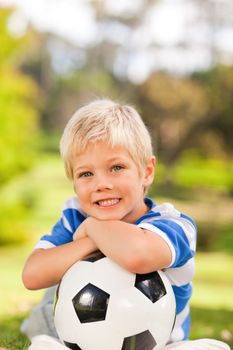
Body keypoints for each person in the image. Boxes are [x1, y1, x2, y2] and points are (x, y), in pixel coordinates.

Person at [22, 99, 230, 350]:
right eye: (86, 174)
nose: (102, 184)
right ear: (73, 182)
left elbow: (138, 256)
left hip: (159, 344)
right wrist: (90, 240)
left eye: (116, 167)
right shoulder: (75, 217)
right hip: (81, 341)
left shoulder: (174, 226)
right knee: (43, 344)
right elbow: (32, 275)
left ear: (147, 172)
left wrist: (93, 229)